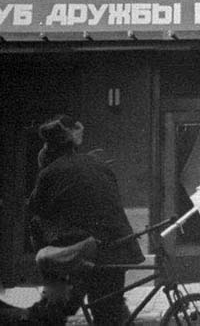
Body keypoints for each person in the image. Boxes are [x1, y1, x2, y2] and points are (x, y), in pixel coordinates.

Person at [27, 114, 144, 326]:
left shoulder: (50, 173)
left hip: (86, 253)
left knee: (55, 309)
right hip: (118, 248)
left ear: (50, 148)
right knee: (110, 313)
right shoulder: (98, 164)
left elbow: (36, 215)